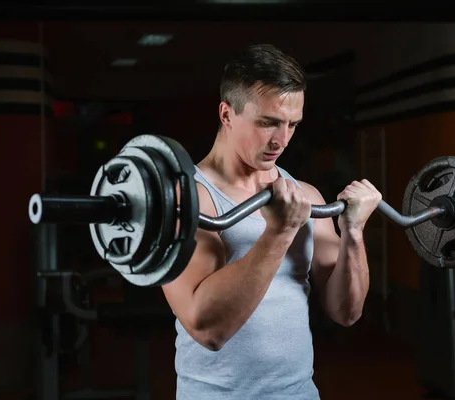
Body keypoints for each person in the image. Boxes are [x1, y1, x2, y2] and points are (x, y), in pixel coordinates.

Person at [161, 44, 382, 400]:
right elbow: (207, 329)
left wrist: (352, 233)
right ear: (227, 114)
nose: (282, 140)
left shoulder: (306, 196)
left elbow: (346, 312)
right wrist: (279, 232)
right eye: (268, 123)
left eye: (292, 124)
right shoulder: (188, 200)